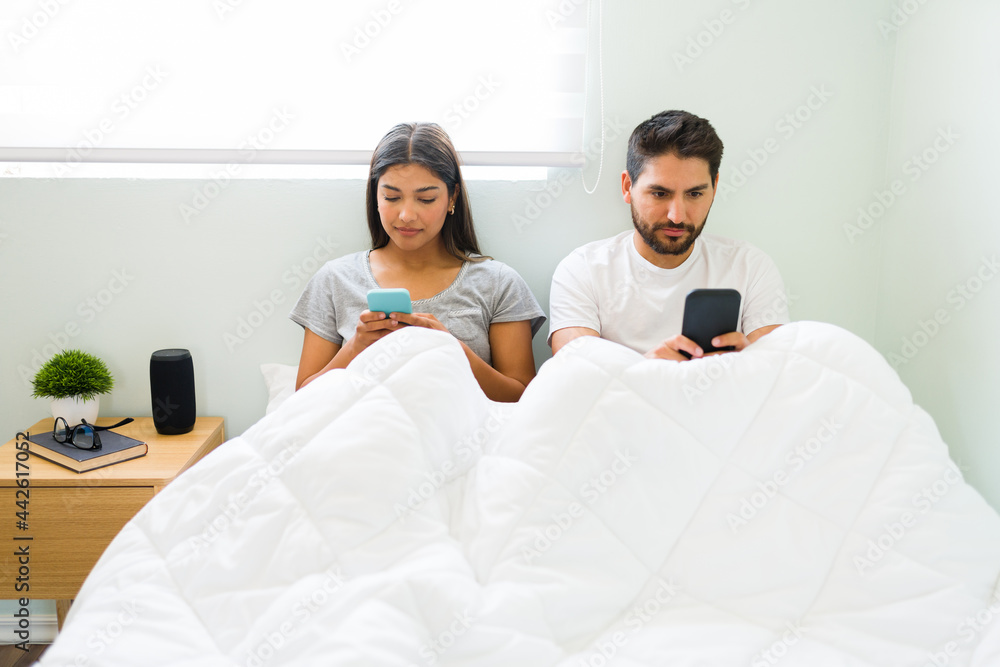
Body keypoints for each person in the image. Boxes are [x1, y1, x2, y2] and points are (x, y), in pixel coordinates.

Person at [290, 122, 545, 401]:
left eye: (425, 199)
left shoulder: (498, 283)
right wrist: (356, 347)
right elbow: (302, 400)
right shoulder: (335, 279)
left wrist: (451, 348)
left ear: (452, 197)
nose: (406, 215)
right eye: (391, 197)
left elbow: (521, 398)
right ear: (375, 196)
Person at [548, 110, 789, 360]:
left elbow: (778, 376)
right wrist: (649, 372)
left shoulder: (750, 267)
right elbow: (573, 377)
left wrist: (748, 363)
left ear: (714, 188)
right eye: (660, 194)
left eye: (694, 194)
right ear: (627, 187)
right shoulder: (582, 270)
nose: (677, 216)